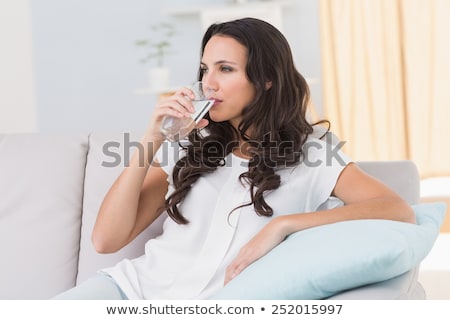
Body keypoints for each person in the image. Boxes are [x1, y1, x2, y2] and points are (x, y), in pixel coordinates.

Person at [52, 17, 415, 300]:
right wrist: (153, 137)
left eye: (225, 69)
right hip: (132, 291)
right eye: (205, 69)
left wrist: (284, 224)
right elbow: (106, 240)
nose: (209, 83)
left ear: (267, 78)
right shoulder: (189, 145)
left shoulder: (313, 151)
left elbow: (396, 208)